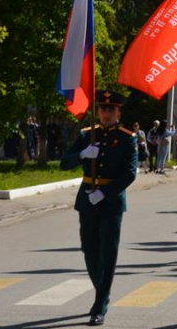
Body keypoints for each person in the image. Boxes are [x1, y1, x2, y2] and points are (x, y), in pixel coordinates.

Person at [60, 90, 138, 326]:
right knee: (89, 248)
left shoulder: (127, 138)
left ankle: (100, 303)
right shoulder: (86, 135)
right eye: (103, 109)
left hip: (111, 201)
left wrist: (104, 193)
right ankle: (101, 290)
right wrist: (83, 154)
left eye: (111, 109)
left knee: (108, 252)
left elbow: (130, 173)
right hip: (87, 198)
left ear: (118, 112)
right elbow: (65, 163)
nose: (106, 113)